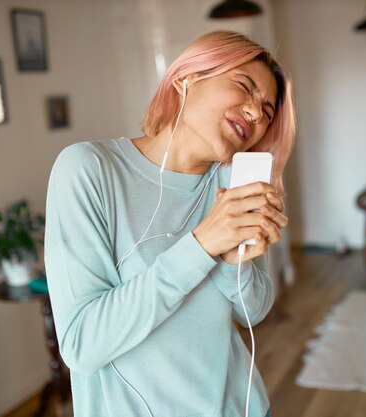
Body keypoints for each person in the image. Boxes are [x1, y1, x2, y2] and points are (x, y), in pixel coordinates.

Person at [44, 30, 295, 417]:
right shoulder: (89, 170)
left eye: (266, 110)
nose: (255, 113)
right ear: (187, 77)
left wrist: (235, 260)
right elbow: (82, 345)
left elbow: (252, 311)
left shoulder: (232, 184)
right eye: (244, 87)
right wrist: (202, 244)